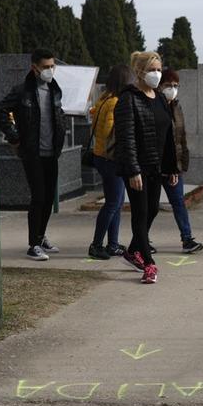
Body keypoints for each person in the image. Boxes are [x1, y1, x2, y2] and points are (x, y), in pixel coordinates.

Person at [113, 51, 180, 284]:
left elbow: (168, 135)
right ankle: (149, 264)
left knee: (152, 210)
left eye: (159, 69)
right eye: (152, 69)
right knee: (140, 213)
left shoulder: (160, 97)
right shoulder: (128, 99)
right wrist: (133, 170)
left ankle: (132, 251)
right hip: (137, 167)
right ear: (139, 71)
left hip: (156, 166)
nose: (157, 74)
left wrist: (172, 168)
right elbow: (126, 137)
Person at [0, 48, 67, 261]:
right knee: (38, 196)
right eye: (45, 67)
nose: (49, 70)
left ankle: (41, 234)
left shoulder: (55, 90)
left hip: (51, 152)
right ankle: (33, 245)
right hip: (32, 152)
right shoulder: (22, 91)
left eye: (52, 66)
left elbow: (57, 115)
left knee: (48, 198)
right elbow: (1, 110)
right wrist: (14, 137)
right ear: (34, 68)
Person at [87, 65, 133, 260]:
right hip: (111, 158)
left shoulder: (104, 98)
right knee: (113, 203)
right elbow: (109, 132)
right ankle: (97, 244)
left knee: (116, 202)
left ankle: (113, 244)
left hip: (101, 156)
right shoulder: (116, 102)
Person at [158, 69, 203, 254]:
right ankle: (142, 241)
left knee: (178, 202)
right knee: (149, 207)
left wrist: (180, 166)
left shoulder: (176, 107)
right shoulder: (154, 106)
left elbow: (181, 138)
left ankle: (187, 239)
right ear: (160, 86)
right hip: (155, 165)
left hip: (173, 166)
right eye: (168, 85)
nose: (172, 89)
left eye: (176, 86)